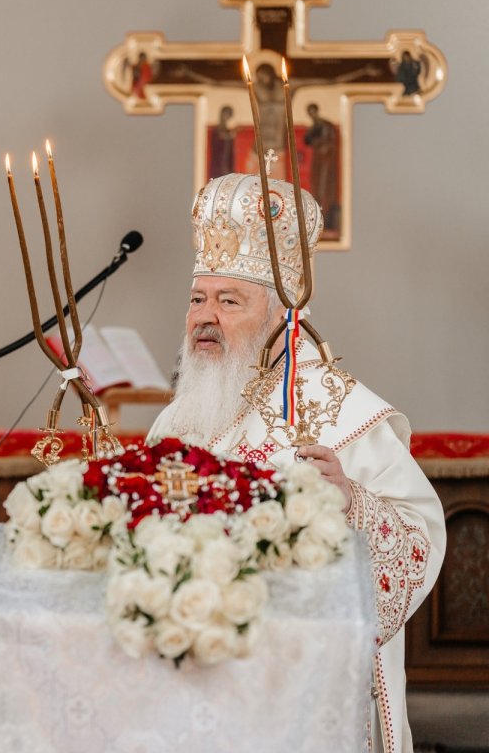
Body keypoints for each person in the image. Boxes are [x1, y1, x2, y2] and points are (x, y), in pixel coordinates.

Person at [149, 172, 445, 753]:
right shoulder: (178, 420)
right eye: (197, 299)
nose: (205, 317)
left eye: (229, 301)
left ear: (282, 313)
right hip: (186, 683)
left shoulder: (347, 413)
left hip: (302, 695)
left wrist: (351, 504)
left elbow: (420, 542)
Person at [303, 103, 339, 228]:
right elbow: (307, 140)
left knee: (325, 187)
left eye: (313, 112)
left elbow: (329, 144)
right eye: (309, 113)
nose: (312, 115)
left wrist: (321, 145)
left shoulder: (326, 126)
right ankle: (317, 215)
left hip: (326, 162)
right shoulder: (314, 127)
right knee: (316, 186)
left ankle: (326, 217)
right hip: (317, 161)